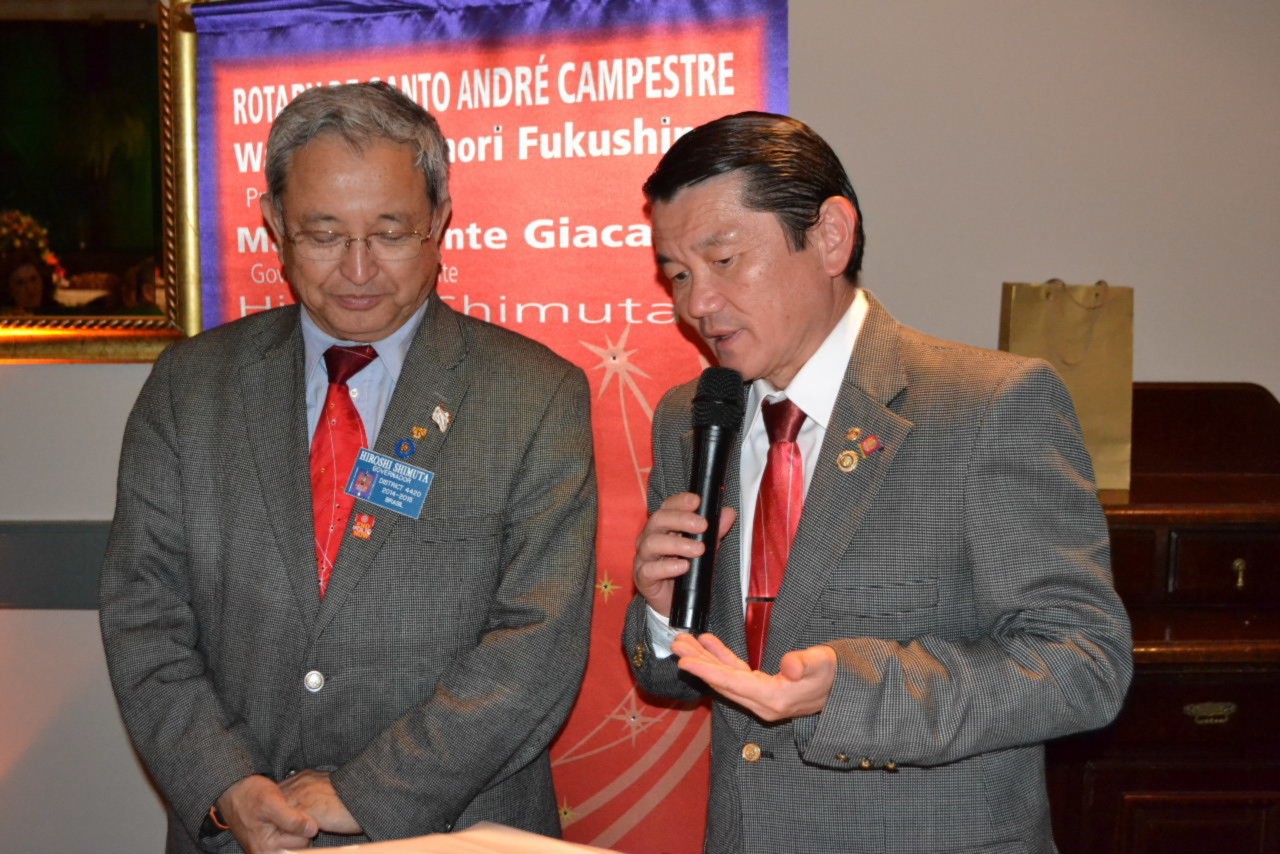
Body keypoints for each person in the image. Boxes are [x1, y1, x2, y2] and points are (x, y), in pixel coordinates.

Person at [100, 82, 598, 854]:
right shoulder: (189, 388)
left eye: (390, 234)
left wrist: (371, 791)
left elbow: (536, 646)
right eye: (323, 235)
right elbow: (144, 613)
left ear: (439, 220)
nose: (358, 270)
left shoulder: (534, 395)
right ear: (275, 223)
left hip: (455, 832)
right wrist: (225, 783)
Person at [624, 112, 1132, 854]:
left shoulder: (989, 405)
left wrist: (852, 691)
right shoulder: (692, 417)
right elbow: (675, 679)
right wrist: (666, 612)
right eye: (677, 274)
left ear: (831, 236)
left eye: (724, 260)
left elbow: (1084, 665)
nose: (696, 304)